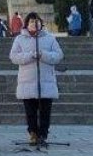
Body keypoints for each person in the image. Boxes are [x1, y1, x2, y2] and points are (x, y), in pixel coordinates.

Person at [9, 12, 64, 147]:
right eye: (32, 22)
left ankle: (43, 135)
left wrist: (43, 55)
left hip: (45, 82)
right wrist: (30, 56)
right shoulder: (20, 39)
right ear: (27, 24)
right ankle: (32, 133)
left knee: (45, 111)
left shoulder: (50, 38)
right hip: (27, 82)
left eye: (37, 21)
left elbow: (59, 55)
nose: (35, 24)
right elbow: (14, 57)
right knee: (30, 111)